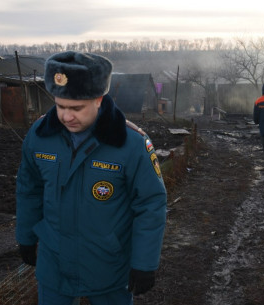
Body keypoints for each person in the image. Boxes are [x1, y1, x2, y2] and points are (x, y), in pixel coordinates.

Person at [15, 51, 167, 305]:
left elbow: (150, 204)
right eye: (60, 106)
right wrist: (26, 237)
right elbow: (29, 189)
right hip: (54, 263)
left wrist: (144, 263)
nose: (66, 116)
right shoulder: (40, 135)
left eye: (76, 108)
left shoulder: (130, 144)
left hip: (109, 265)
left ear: (99, 99)